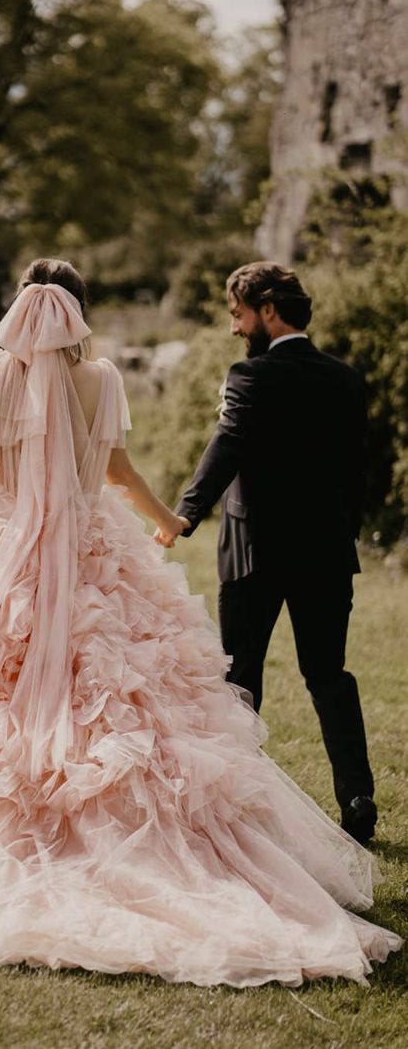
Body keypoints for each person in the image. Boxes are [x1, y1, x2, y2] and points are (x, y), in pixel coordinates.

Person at [0, 258, 401, 988]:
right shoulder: (101, 378)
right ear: (79, 312)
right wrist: (169, 521)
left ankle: (28, 829)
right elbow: (118, 474)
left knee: (1, 695)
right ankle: (200, 832)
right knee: (133, 691)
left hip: (16, 556)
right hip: (102, 551)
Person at [174, 262, 377, 845]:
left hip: (253, 552)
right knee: (328, 675)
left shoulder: (250, 377)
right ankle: (358, 796)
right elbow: (357, 473)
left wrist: (187, 512)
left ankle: (239, 807)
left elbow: (228, 445)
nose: (234, 328)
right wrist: (344, 531)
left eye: (237, 314)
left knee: (240, 677)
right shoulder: (345, 379)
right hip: (327, 552)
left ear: (266, 310)